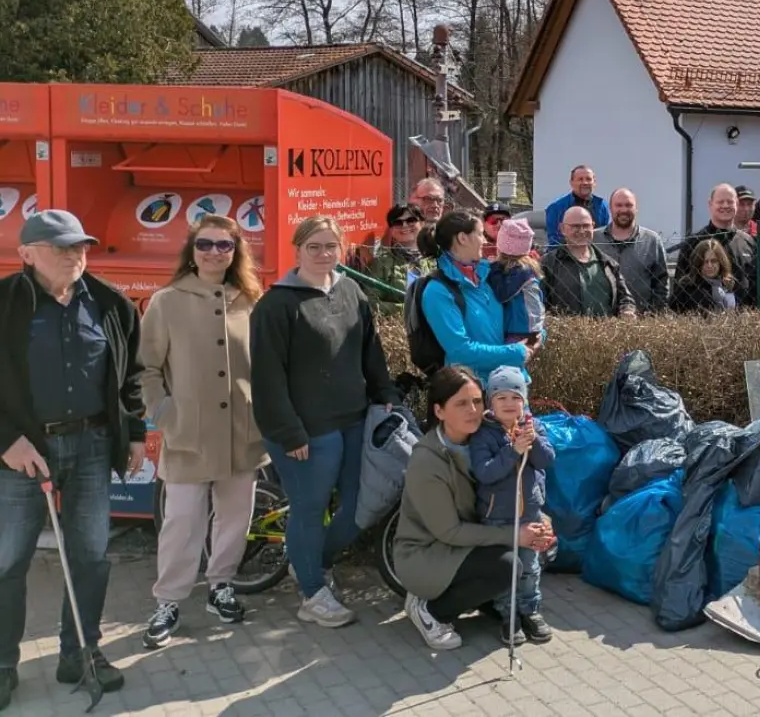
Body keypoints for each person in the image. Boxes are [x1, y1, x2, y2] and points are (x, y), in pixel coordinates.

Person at [0, 211, 145, 701]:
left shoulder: (110, 303)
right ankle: (2, 663)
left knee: (89, 556)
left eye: (80, 246)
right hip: (22, 452)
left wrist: (136, 432)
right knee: (7, 560)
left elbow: (129, 376)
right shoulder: (4, 304)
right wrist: (6, 441)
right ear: (26, 253)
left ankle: (80, 652)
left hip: (91, 446)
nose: (74, 255)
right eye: (60, 247)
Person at [252, 216, 400, 628]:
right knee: (309, 509)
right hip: (304, 430)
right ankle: (312, 593)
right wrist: (288, 432)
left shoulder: (350, 290)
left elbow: (370, 351)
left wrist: (386, 393)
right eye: (313, 246)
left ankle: (312, 562)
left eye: (330, 246)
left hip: (353, 419)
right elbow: (266, 378)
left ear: (342, 249)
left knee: (359, 507)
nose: (323, 254)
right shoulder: (277, 305)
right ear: (297, 250)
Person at [139, 215, 268, 649]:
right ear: (192, 251)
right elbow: (146, 369)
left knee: (235, 518)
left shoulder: (249, 300)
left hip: (241, 433)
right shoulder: (167, 301)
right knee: (182, 522)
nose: (214, 252)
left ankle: (221, 586)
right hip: (188, 436)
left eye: (224, 245)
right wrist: (164, 413)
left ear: (236, 252)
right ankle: (168, 601)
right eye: (206, 244)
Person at [395, 368, 555, 651]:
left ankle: (506, 605)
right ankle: (431, 610)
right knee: (507, 566)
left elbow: (525, 479)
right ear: (439, 411)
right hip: (430, 550)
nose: (473, 411)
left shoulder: (485, 436)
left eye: (477, 401)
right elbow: (449, 532)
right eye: (461, 403)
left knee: (535, 551)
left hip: (473, 534)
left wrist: (539, 519)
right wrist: (516, 535)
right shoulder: (427, 462)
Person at [468, 367, 556, 646]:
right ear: (490, 402)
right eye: (501, 397)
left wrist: (533, 441)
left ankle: (530, 610)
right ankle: (508, 614)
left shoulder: (534, 427)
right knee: (507, 569)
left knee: (530, 567)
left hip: (530, 514)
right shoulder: (484, 434)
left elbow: (546, 460)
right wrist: (512, 450)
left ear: (524, 401)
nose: (509, 403)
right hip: (498, 518)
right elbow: (485, 472)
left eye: (516, 397)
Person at [421, 212, 532, 381]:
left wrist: (535, 336)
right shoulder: (437, 291)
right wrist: (517, 352)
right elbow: (460, 352)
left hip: (512, 384)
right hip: (471, 389)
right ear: (462, 238)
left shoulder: (492, 275)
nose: (485, 240)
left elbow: (524, 316)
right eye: (480, 234)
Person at [542, 208, 637, 319]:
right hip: (564, 329)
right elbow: (538, 303)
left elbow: (625, 298)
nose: (582, 231)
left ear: (593, 226)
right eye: (575, 226)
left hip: (605, 329)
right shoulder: (548, 264)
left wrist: (627, 310)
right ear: (562, 229)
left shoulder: (608, 264)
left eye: (586, 226)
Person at [595, 189, 669, 314]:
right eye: (618, 205)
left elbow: (662, 283)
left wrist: (653, 313)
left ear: (636, 208)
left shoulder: (651, 240)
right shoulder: (594, 240)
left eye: (629, 205)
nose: (624, 210)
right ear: (610, 209)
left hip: (641, 318)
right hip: (601, 318)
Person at [677, 185, 758, 290]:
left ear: (736, 204)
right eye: (720, 202)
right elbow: (680, 287)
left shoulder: (748, 242)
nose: (725, 205)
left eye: (730, 202)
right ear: (710, 204)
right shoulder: (693, 243)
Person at [363, 203, 433, 312]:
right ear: (391, 230)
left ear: (422, 223)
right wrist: (407, 308)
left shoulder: (436, 259)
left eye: (411, 220)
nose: (404, 225)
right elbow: (369, 302)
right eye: (397, 222)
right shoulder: (382, 263)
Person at [485, 219, 544, 344]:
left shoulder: (521, 270)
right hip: (524, 327)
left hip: (523, 330)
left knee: (511, 355)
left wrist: (494, 268)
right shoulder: (523, 268)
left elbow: (502, 294)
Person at [543, 165, 609, 247]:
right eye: (580, 179)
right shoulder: (556, 208)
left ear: (594, 182)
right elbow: (554, 242)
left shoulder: (602, 205)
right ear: (571, 183)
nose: (585, 183)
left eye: (588, 179)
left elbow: (604, 237)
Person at [669, 240, 739, 314]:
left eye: (713, 261)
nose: (709, 266)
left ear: (721, 262)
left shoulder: (732, 284)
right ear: (698, 263)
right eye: (705, 262)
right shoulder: (687, 288)